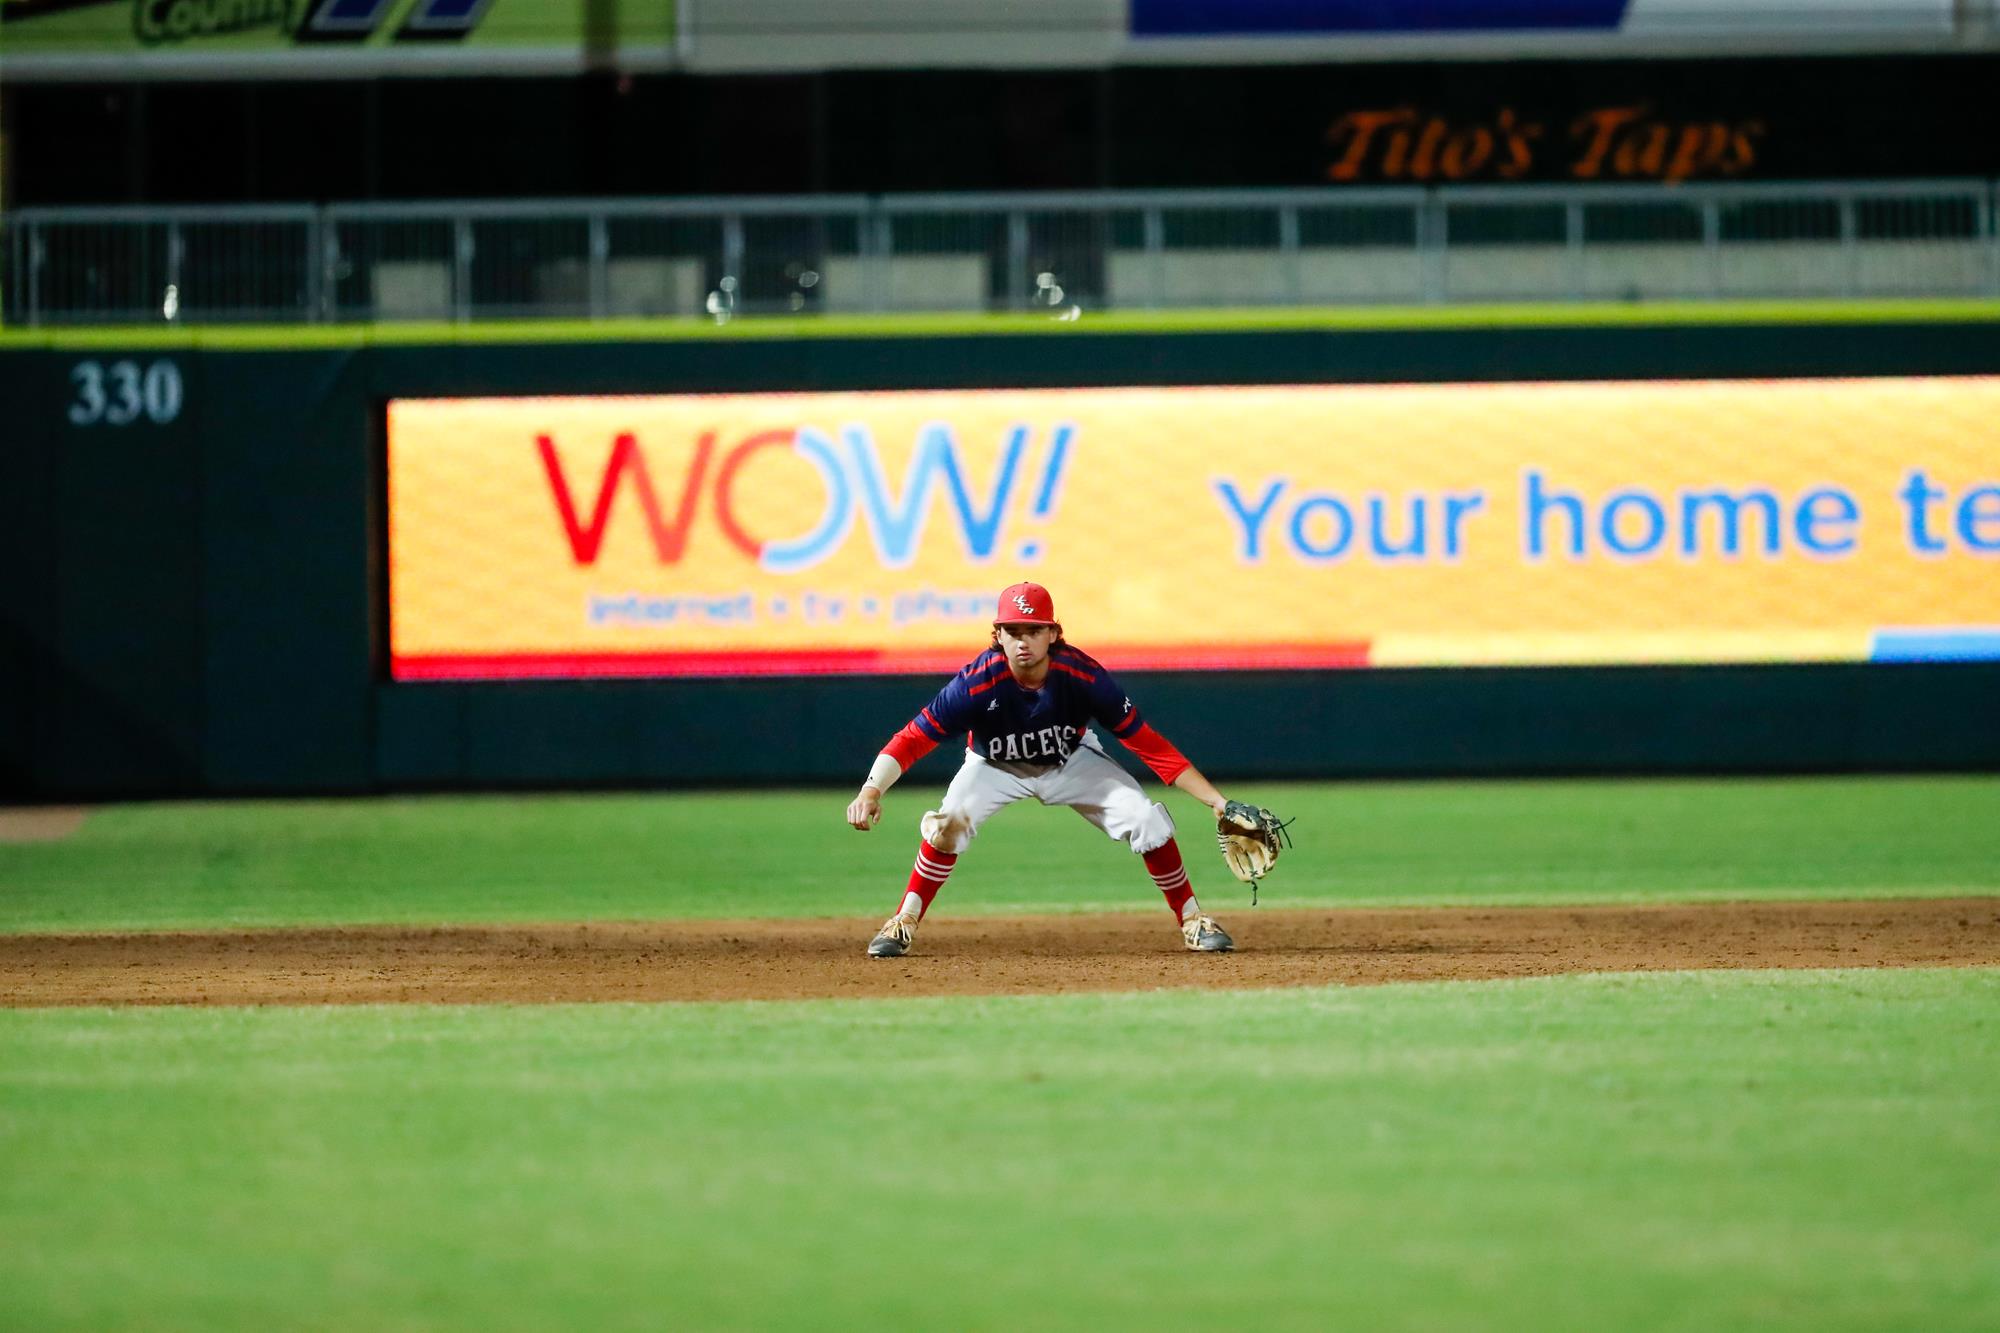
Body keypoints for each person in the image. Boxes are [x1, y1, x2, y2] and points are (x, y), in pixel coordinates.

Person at [845, 581, 1239, 957]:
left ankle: (1193, 920)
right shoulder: (976, 683)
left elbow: (1147, 744)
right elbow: (913, 738)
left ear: (1053, 634)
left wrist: (1217, 802)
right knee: (948, 824)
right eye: (1012, 629)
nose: (1022, 640)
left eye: (1033, 630)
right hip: (993, 766)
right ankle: (903, 920)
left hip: (1071, 760)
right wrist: (871, 789)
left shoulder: (1083, 677)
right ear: (997, 634)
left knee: (1144, 819)